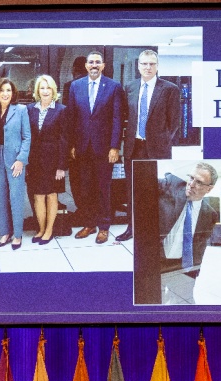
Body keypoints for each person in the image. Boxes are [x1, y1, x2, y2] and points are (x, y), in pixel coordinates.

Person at [120, 50, 181, 242]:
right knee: (132, 190)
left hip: (157, 149)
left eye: (152, 64)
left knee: (157, 189)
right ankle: (132, 228)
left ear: (157, 66)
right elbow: (125, 117)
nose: (148, 67)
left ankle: (155, 230)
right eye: (144, 64)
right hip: (133, 147)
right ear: (138, 66)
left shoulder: (169, 89)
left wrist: (162, 140)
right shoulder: (130, 87)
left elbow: (175, 122)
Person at [66, 51, 124, 245]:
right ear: (86, 66)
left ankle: (104, 227)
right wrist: (72, 144)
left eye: (97, 62)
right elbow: (72, 118)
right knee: (85, 189)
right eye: (91, 62)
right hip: (82, 148)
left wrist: (115, 147)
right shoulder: (76, 86)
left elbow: (117, 119)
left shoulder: (114, 87)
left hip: (104, 148)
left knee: (103, 188)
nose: (94, 65)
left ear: (103, 66)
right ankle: (89, 224)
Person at [0, 77, 31, 250]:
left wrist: (21, 159)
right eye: (2, 90)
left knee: (16, 197)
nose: (5, 93)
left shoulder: (21, 110)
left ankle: (17, 235)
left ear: (13, 93)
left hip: (15, 160)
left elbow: (27, 137)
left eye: (9, 90)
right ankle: (5, 233)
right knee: (0, 198)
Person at [26, 75, 68, 244]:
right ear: (37, 91)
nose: (45, 91)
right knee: (37, 196)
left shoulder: (61, 110)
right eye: (42, 88)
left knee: (51, 196)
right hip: (34, 161)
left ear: (53, 90)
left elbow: (64, 139)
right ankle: (41, 228)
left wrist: (61, 167)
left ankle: (49, 230)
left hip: (53, 162)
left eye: (48, 88)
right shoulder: (29, 109)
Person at [159, 162, 221, 269]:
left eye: (199, 182)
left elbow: (200, 246)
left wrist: (194, 271)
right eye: (191, 178)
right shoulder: (171, 186)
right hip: (157, 260)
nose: (191, 184)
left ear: (209, 189)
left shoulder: (210, 215)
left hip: (183, 265)